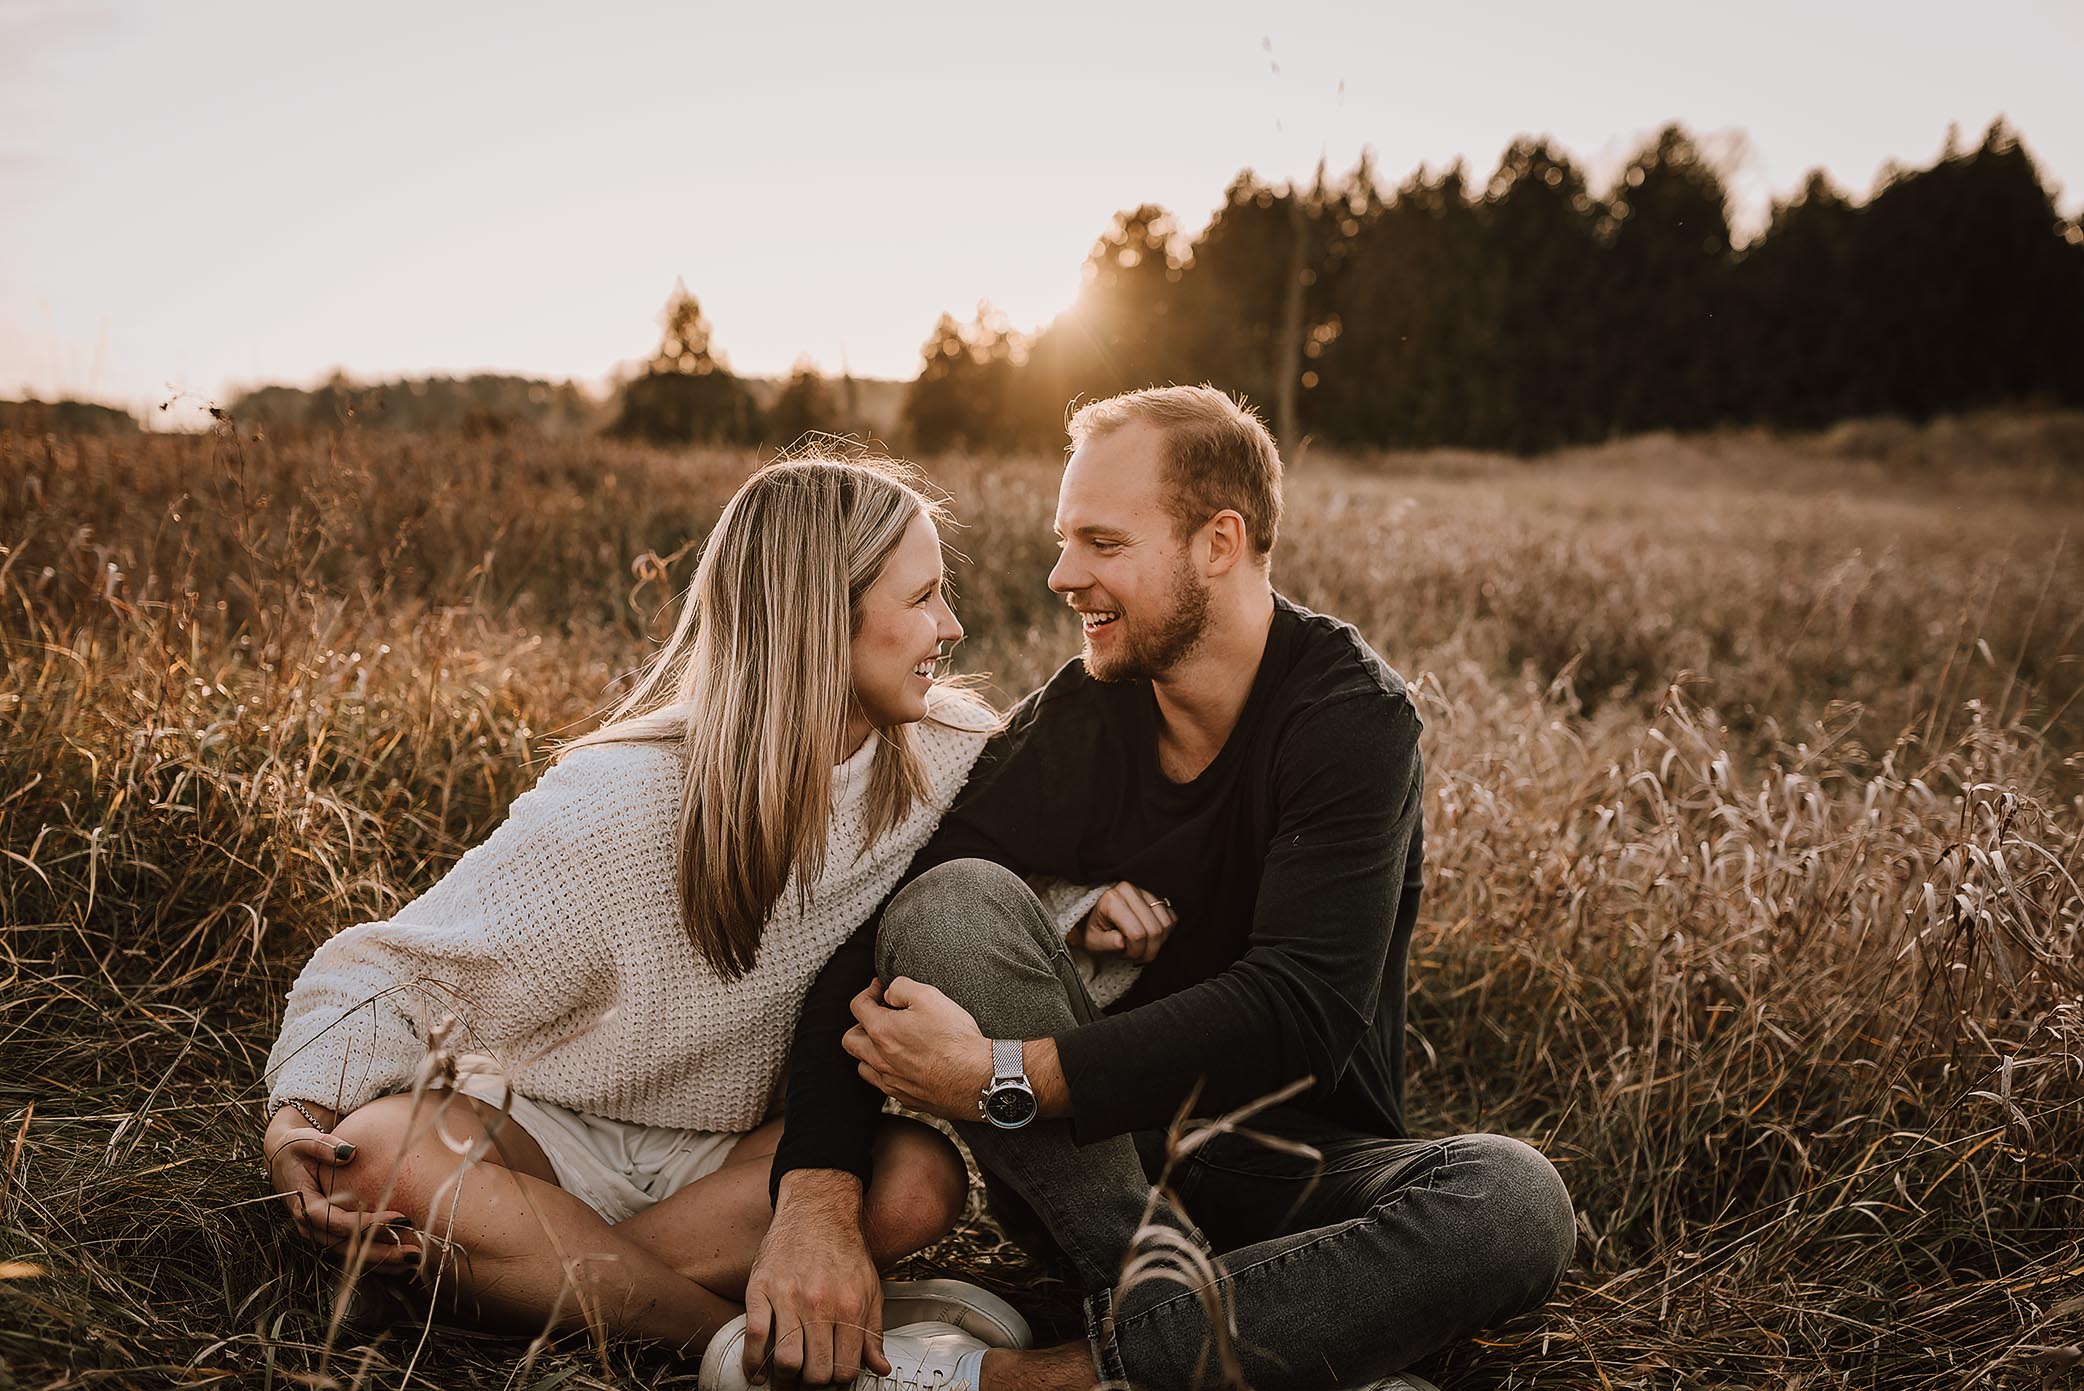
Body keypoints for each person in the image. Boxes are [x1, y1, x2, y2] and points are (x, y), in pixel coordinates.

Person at [719, 388, 1576, 1391]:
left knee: (1515, 1199)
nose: (1061, 575)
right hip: (1095, 1172)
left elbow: (1303, 1005)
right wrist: (814, 1196)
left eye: (1100, 541)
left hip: (1293, 1172)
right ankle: (1283, 1337)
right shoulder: (1085, 710)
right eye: (1062, 539)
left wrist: (1005, 1076)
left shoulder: (1346, 718)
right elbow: (874, 946)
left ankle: (1032, 1377)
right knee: (947, 903)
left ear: (1218, 541)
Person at [261, 457, 1029, 1360]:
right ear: (822, 616)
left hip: (738, 1163)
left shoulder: (948, 756)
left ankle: (541, 1286)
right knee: (376, 1164)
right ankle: (771, 1342)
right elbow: (390, 970)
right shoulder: (619, 798)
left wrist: (1100, 901)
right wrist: (295, 1115)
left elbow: (1036, 887)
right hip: (539, 1133)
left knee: (915, 1182)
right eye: (925, 597)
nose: (953, 626)